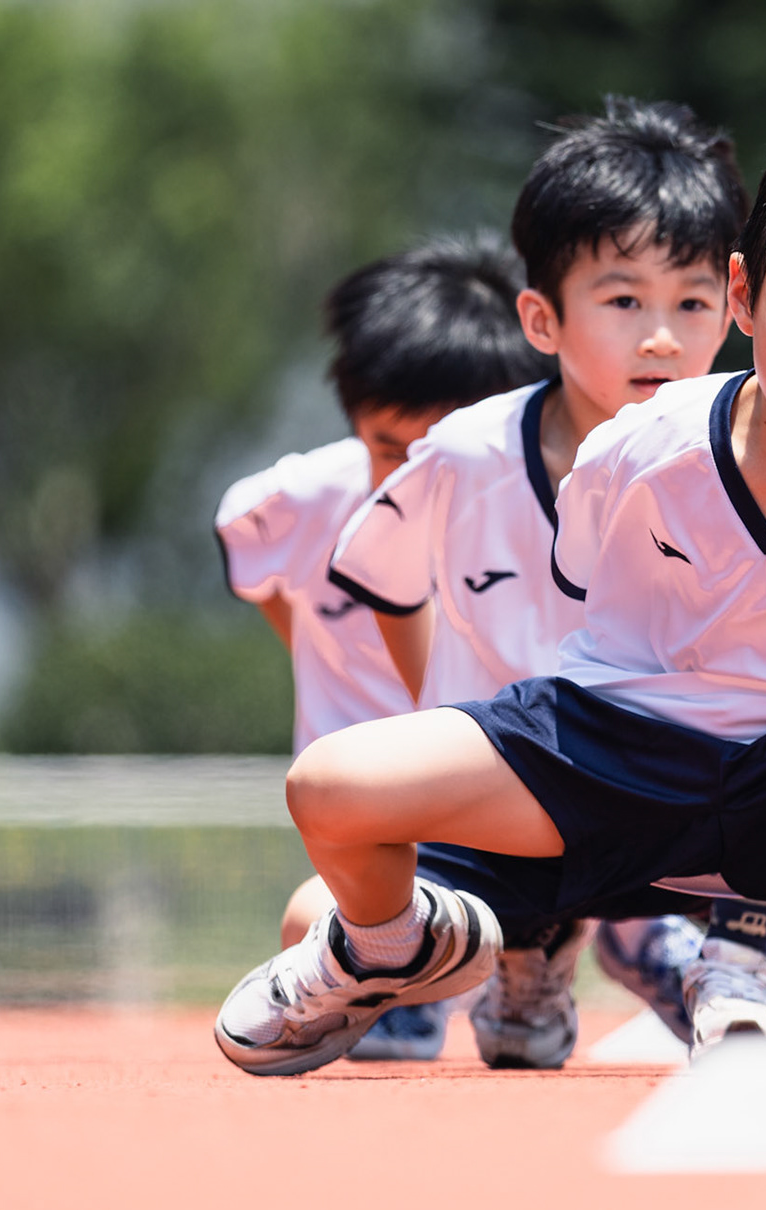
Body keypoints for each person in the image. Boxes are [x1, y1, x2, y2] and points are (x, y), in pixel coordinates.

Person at [217, 106, 766, 1079]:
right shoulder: (637, 448)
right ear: (745, 295)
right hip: (601, 765)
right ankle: (403, 945)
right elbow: (567, 606)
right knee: (330, 786)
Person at [316, 96, 766, 1070]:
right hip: (514, 798)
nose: (661, 337)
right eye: (624, 302)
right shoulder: (465, 455)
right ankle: (524, 945)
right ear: (541, 317)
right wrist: (448, 717)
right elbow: (388, 584)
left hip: (676, 798)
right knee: (308, 913)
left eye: (692, 303)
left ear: (736, 305)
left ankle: (704, 955)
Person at [214, 235, 552, 1061]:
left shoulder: (556, 512)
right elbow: (260, 576)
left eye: (438, 453)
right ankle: (400, 973)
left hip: (512, 813)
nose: (410, 481)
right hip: (378, 832)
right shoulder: (288, 504)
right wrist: (322, 662)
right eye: (388, 449)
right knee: (310, 918)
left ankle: (561, 951)